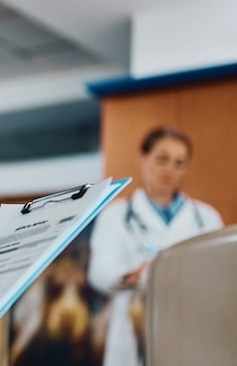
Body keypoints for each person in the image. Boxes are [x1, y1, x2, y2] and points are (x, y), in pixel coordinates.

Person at [87, 126, 224, 366]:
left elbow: (220, 273)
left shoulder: (207, 217)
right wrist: (128, 276)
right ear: (143, 157)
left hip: (192, 324)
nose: (169, 170)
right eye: (162, 159)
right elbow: (99, 270)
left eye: (179, 163)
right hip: (133, 324)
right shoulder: (116, 214)